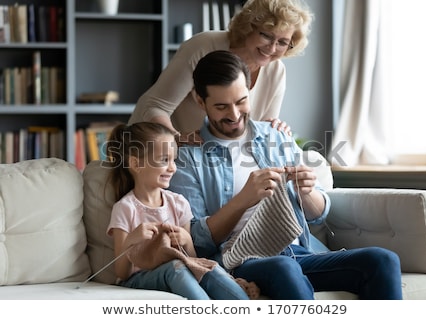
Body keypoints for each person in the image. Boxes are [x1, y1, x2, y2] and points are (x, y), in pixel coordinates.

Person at [169, 50, 403, 299]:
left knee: (382, 260)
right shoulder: (188, 159)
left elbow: (318, 214)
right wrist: (245, 198)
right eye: (221, 106)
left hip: (298, 251)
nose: (235, 115)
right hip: (241, 260)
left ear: (249, 89)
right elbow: (195, 241)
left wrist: (308, 192)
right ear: (200, 100)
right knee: (284, 266)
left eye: (241, 101)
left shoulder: (276, 136)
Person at [105, 121, 254, 300]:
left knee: (209, 268)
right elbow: (122, 272)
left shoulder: (178, 203)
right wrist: (131, 241)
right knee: (176, 267)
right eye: (164, 160)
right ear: (136, 164)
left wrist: (187, 242)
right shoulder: (125, 208)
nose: (172, 167)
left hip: (179, 268)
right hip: (137, 279)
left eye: (173, 160)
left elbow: (191, 260)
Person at [129, 0, 313, 143]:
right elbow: (155, 107)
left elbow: (259, 131)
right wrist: (177, 140)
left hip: (212, 158)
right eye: (266, 35)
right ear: (249, 27)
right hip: (159, 147)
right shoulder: (203, 46)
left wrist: (275, 128)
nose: (272, 48)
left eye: (282, 42)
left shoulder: (276, 71)